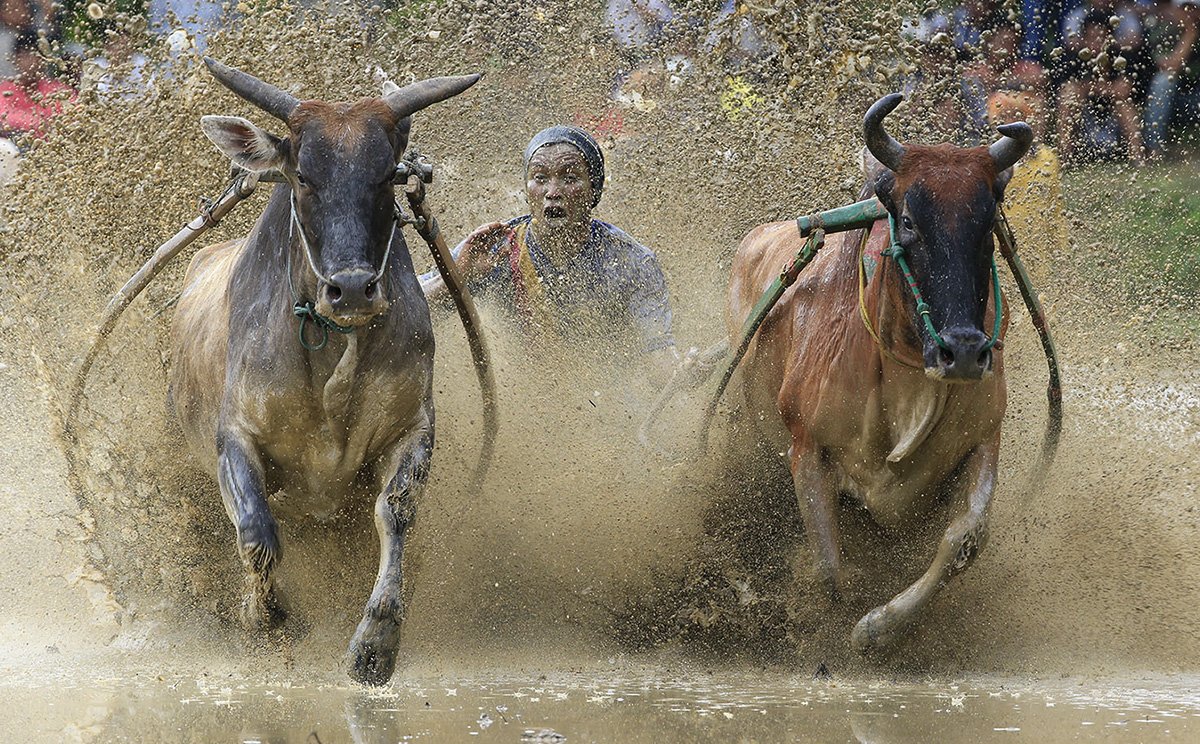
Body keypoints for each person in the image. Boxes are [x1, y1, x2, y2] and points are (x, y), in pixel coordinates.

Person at [421, 125, 679, 379]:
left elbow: (659, 361)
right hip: (519, 399)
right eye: (540, 178)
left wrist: (688, 372)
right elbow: (407, 310)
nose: (553, 192)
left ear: (594, 189)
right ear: (526, 189)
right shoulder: (494, 248)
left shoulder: (631, 262)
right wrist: (458, 275)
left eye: (570, 179)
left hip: (609, 403)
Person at [0, 28, 73, 142]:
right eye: (24, 55)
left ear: (44, 59)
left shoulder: (59, 91)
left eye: (34, 55)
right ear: (15, 59)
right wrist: (41, 124)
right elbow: (4, 118)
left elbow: (73, 117)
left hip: (53, 149)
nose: (30, 61)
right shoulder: (5, 90)